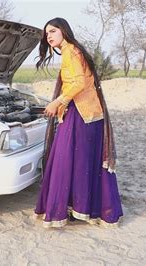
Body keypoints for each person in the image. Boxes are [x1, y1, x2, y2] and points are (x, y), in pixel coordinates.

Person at [34, 17, 123, 228]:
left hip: (82, 115)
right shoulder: (73, 50)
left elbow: (79, 83)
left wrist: (57, 102)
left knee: (65, 162)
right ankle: (84, 209)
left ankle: (64, 210)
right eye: (47, 33)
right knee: (81, 163)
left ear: (64, 31)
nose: (49, 36)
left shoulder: (70, 52)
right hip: (88, 114)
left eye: (53, 31)